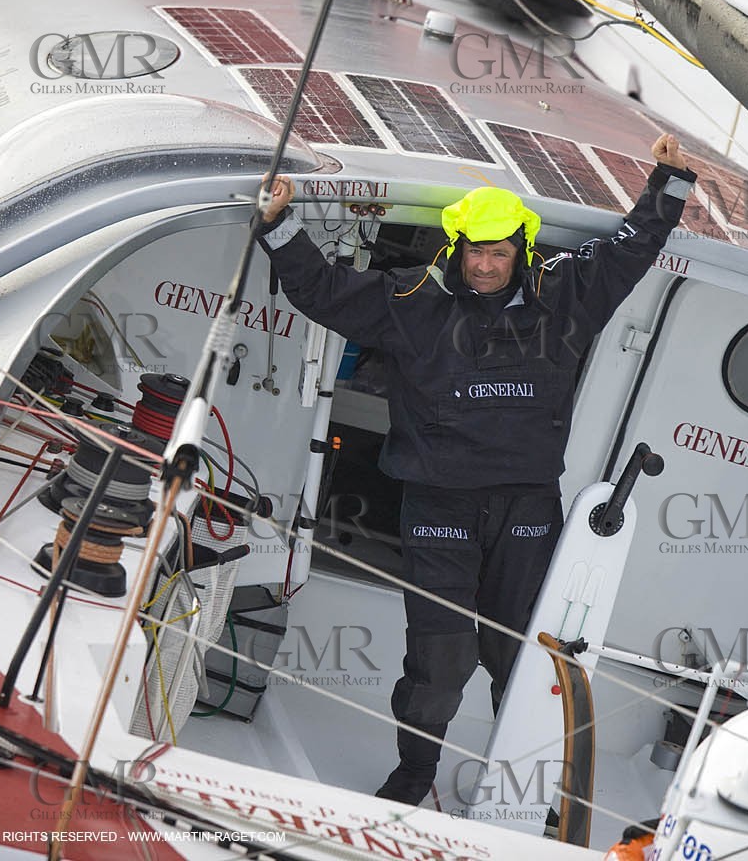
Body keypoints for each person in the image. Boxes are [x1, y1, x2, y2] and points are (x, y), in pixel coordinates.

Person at [254, 134, 696, 806]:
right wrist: (280, 226)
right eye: (474, 252)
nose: (486, 266)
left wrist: (670, 181)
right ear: (453, 248)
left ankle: (524, 793)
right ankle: (413, 775)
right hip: (438, 503)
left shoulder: (568, 294)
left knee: (520, 656)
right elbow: (324, 292)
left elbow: (632, 250)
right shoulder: (410, 302)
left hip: (527, 505)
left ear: (520, 249)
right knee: (441, 658)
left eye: (499, 252)